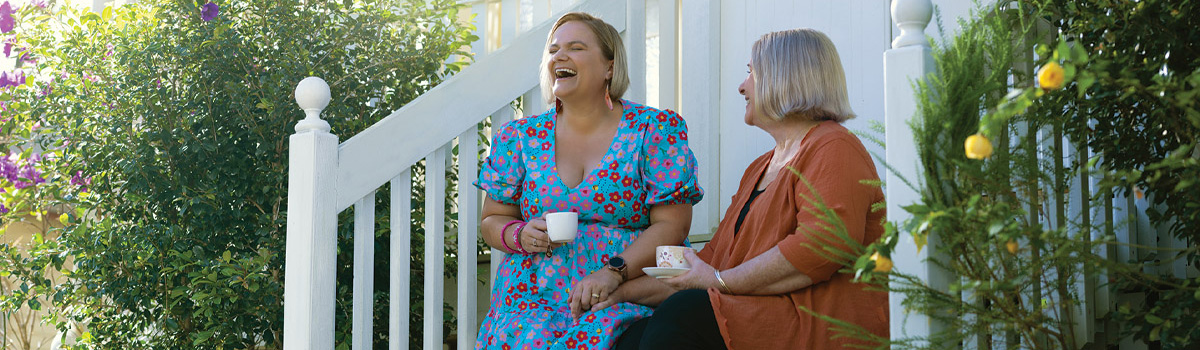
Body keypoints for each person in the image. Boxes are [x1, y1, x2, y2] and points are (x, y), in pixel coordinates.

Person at [597, 28, 889, 349]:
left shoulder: (833, 147)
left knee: (684, 314)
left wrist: (719, 281)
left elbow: (820, 247)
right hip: (752, 312)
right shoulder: (758, 168)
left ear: (784, 76)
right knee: (630, 337)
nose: (741, 86)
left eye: (751, 73)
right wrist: (617, 290)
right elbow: (705, 264)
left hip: (814, 325)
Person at [473, 12, 704, 350]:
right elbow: (491, 221)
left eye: (575, 48)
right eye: (553, 50)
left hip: (625, 291)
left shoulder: (654, 129)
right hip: (531, 300)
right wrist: (519, 233)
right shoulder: (519, 137)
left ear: (609, 67)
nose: (559, 56)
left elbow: (673, 225)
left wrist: (614, 271)